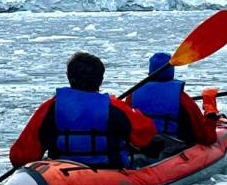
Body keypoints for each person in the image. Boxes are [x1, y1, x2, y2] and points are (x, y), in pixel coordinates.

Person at [9, 52, 157, 169]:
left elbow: (21, 157)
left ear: (69, 77)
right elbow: (146, 136)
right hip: (110, 172)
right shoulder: (115, 107)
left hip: (62, 174)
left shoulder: (51, 107)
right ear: (100, 79)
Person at [127, 52, 220, 152]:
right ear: (172, 71)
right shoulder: (182, 99)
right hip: (173, 150)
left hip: (140, 150)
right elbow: (207, 138)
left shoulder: (132, 96)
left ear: (150, 71)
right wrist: (210, 111)